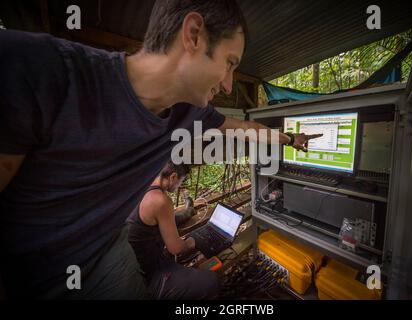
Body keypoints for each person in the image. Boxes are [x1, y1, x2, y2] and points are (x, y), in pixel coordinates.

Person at [0, 0, 321, 299]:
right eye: (229, 63)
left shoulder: (190, 110)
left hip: (109, 249)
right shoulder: (39, 68)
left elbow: (249, 130)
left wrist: (292, 140)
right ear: (193, 35)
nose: (227, 84)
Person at [127, 160, 218, 299]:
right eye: (181, 181)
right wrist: (192, 241)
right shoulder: (160, 200)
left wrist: (188, 213)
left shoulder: (141, 188)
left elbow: (163, 220)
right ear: (173, 177)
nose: (179, 185)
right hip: (150, 274)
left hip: (134, 263)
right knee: (212, 280)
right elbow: (176, 249)